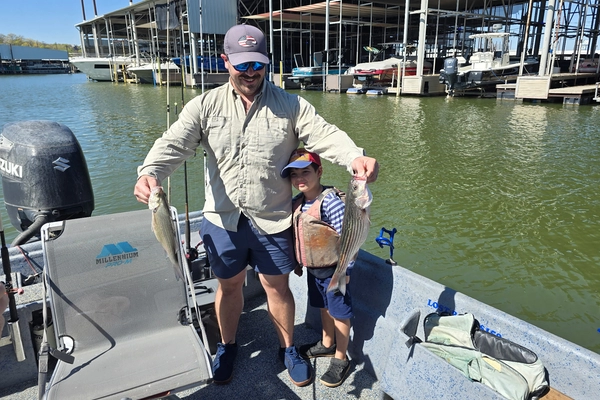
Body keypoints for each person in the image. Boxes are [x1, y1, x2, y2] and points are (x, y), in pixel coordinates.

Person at [133, 23, 379, 387]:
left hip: (274, 219)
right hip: (223, 220)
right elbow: (173, 144)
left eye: (258, 65)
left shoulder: (292, 105)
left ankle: (288, 348)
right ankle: (228, 346)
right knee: (229, 287)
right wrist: (149, 172)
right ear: (226, 61)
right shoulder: (203, 106)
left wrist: (355, 158)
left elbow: (324, 134)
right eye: (242, 64)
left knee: (277, 288)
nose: (251, 73)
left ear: (266, 63)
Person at [281, 149, 354, 388]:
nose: (299, 179)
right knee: (323, 306)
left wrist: (346, 270)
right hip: (314, 270)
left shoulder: (330, 202)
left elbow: (348, 237)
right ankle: (326, 342)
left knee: (340, 313)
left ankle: (340, 358)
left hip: (335, 271)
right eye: (294, 175)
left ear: (319, 172)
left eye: (306, 172)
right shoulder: (299, 202)